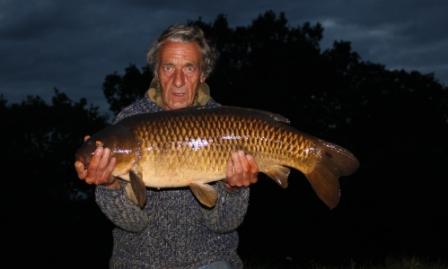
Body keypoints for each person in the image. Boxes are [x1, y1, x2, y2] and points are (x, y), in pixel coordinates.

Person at [74, 24, 259, 269]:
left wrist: (233, 189)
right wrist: (110, 186)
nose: (179, 80)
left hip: (208, 258)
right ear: (157, 72)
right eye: (169, 67)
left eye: (189, 68)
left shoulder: (224, 124)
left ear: (203, 74)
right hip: (139, 261)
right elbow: (133, 224)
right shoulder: (130, 121)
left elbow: (224, 225)